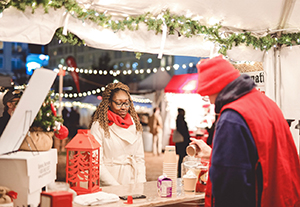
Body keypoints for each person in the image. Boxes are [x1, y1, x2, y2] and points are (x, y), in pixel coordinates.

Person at [190, 55, 300, 207]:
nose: (210, 101)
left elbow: (230, 184)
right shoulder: (268, 104)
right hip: (281, 198)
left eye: (207, 94)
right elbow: (259, 156)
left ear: (216, 88)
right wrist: (213, 154)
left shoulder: (232, 117)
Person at [89, 82, 146, 186]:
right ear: (109, 103)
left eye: (126, 103)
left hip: (132, 181)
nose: (123, 107)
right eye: (118, 103)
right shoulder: (99, 125)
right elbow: (96, 162)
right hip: (110, 181)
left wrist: (141, 183)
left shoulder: (135, 124)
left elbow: (139, 159)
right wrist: (115, 186)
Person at [175, 108, 190, 178]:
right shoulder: (180, 120)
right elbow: (183, 130)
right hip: (183, 142)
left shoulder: (179, 119)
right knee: (182, 157)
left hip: (182, 142)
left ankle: (180, 172)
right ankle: (180, 172)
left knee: (181, 158)